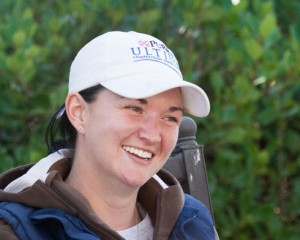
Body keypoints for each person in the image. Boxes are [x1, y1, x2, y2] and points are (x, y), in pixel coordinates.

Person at [0, 31, 219, 239]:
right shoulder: (15, 231)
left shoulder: (192, 221)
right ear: (78, 112)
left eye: (170, 118)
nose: (152, 135)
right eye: (134, 109)